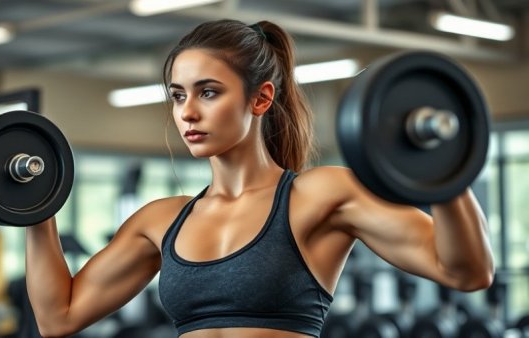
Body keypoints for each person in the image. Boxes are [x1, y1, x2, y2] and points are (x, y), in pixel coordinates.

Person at [25, 19, 495, 338]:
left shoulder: (320, 196)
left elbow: (467, 271)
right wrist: (33, 207)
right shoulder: (161, 220)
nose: (187, 112)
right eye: (177, 95)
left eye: (208, 92)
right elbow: (58, 317)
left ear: (260, 99)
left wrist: (446, 174)